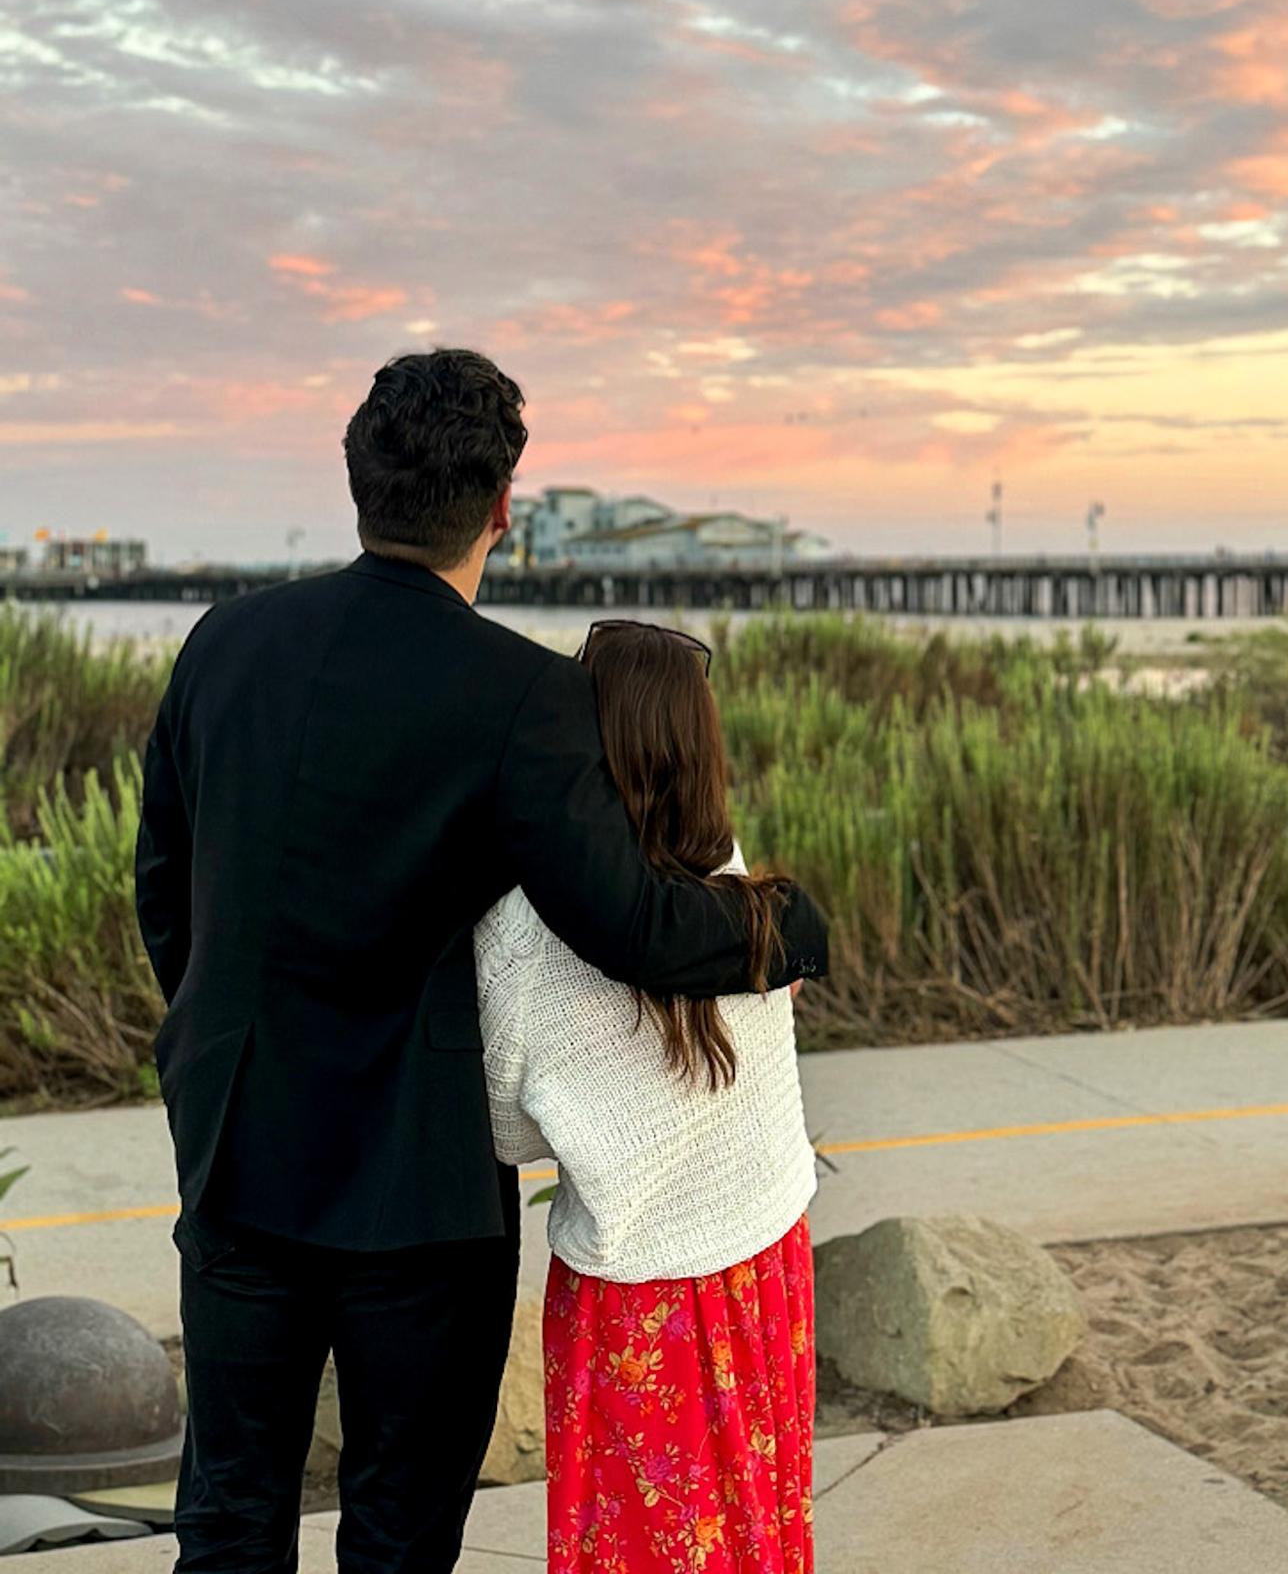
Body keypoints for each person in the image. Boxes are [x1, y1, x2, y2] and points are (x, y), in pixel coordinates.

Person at [134, 349, 828, 1574]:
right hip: (419, 1187)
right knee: (400, 1532)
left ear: (357, 481)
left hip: (239, 1149)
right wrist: (786, 928)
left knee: (229, 1514)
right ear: (503, 507)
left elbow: (165, 896)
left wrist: (218, 1044)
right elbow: (629, 925)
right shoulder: (525, 693)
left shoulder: (222, 644)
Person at [476, 620, 817, 1574]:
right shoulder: (732, 874)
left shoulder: (519, 925)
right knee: (757, 1528)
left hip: (640, 1287)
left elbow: (506, 1130)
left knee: (637, 1548)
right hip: (767, 1257)